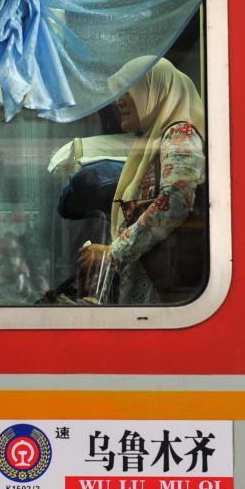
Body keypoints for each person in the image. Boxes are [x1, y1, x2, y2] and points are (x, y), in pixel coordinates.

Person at [77, 56, 206, 304]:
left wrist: (113, 253)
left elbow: (175, 201)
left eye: (129, 90)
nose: (119, 101)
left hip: (165, 298)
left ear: (156, 90)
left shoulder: (179, 133)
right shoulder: (151, 144)